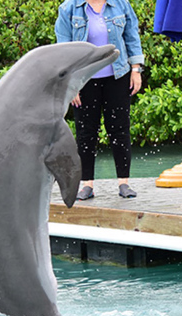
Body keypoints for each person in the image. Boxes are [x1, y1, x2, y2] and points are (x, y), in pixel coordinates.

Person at [55, 0, 144, 199]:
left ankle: (124, 183)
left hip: (118, 76)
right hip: (84, 81)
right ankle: (87, 185)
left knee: (120, 130)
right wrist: (70, 84)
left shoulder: (120, 4)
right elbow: (63, 51)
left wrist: (136, 68)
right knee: (86, 133)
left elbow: (132, 37)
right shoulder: (68, 9)